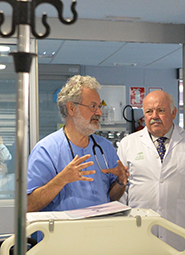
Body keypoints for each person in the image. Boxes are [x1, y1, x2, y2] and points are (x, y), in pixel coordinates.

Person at [117, 90, 185, 251]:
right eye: (149, 111)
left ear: (174, 112)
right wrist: (119, 226)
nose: (154, 116)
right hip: (139, 229)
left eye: (161, 110)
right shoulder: (128, 144)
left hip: (179, 229)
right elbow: (122, 190)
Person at [27, 75, 128, 212]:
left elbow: (110, 198)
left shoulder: (105, 148)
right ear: (72, 109)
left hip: (100, 230)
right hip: (62, 231)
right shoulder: (46, 150)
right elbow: (29, 205)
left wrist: (120, 182)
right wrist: (61, 180)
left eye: (99, 106)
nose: (99, 112)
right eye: (93, 106)